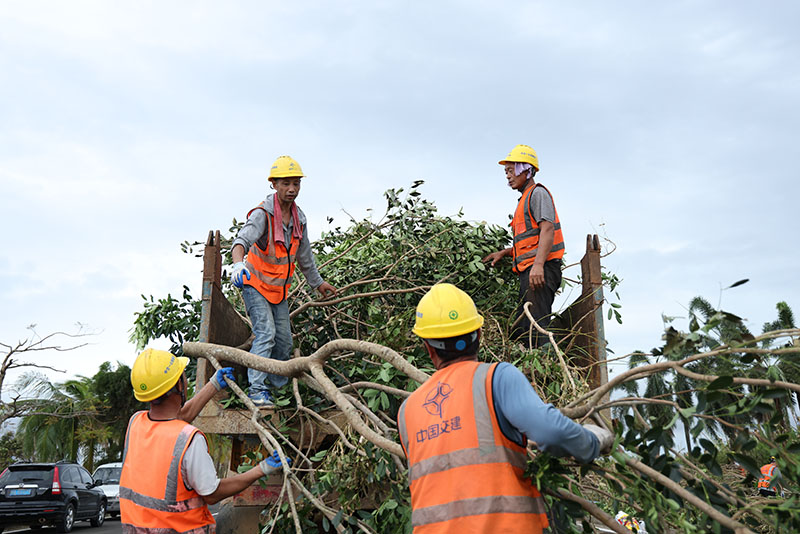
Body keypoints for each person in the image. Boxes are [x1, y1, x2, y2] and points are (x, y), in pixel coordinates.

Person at [396, 283, 613, 533]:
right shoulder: (497, 378)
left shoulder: (407, 411)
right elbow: (553, 433)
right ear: (479, 333)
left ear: (428, 347)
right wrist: (593, 441)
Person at [120, 348, 291, 534]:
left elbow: (176, 419)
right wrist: (262, 469)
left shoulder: (135, 423)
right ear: (179, 385)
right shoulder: (189, 439)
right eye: (183, 376)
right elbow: (212, 494)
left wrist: (213, 385)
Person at [230, 155, 337, 407]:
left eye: (296, 184)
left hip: (278, 290)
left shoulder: (299, 219)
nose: (292, 189)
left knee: (285, 341)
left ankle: (277, 389)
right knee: (265, 334)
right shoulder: (262, 214)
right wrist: (237, 265)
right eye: (286, 183)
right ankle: (256, 390)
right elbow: (240, 242)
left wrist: (318, 283)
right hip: (255, 284)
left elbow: (305, 256)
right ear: (274, 185)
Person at [483, 144, 564, 348]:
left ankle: (548, 369)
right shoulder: (524, 199)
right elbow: (530, 241)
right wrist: (506, 252)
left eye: (511, 171)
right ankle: (531, 367)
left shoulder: (538, 194)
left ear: (525, 170)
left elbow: (547, 230)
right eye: (506, 172)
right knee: (522, 329)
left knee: (536, 327)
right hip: (532, 270)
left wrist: (537, 265)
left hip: (541, 270)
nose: (508, 176)